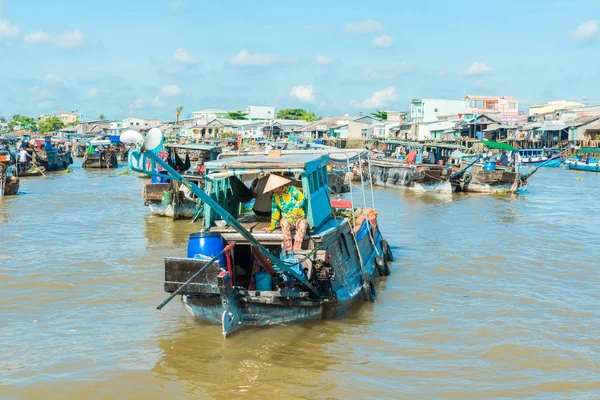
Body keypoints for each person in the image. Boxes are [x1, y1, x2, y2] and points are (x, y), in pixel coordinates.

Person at [263, 174, 308, 253]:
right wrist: (272, 226)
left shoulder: (292, 190)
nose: (275, 190)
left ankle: (297, 248)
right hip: (288, 220)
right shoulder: (275, 197)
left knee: (303, 224)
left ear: (281, 184)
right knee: (284, 223)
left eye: (276, 187)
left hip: (299, 218)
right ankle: (288, 248)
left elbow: (302, 198)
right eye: (273, 189)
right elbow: (275, 211)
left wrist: (295, 209)